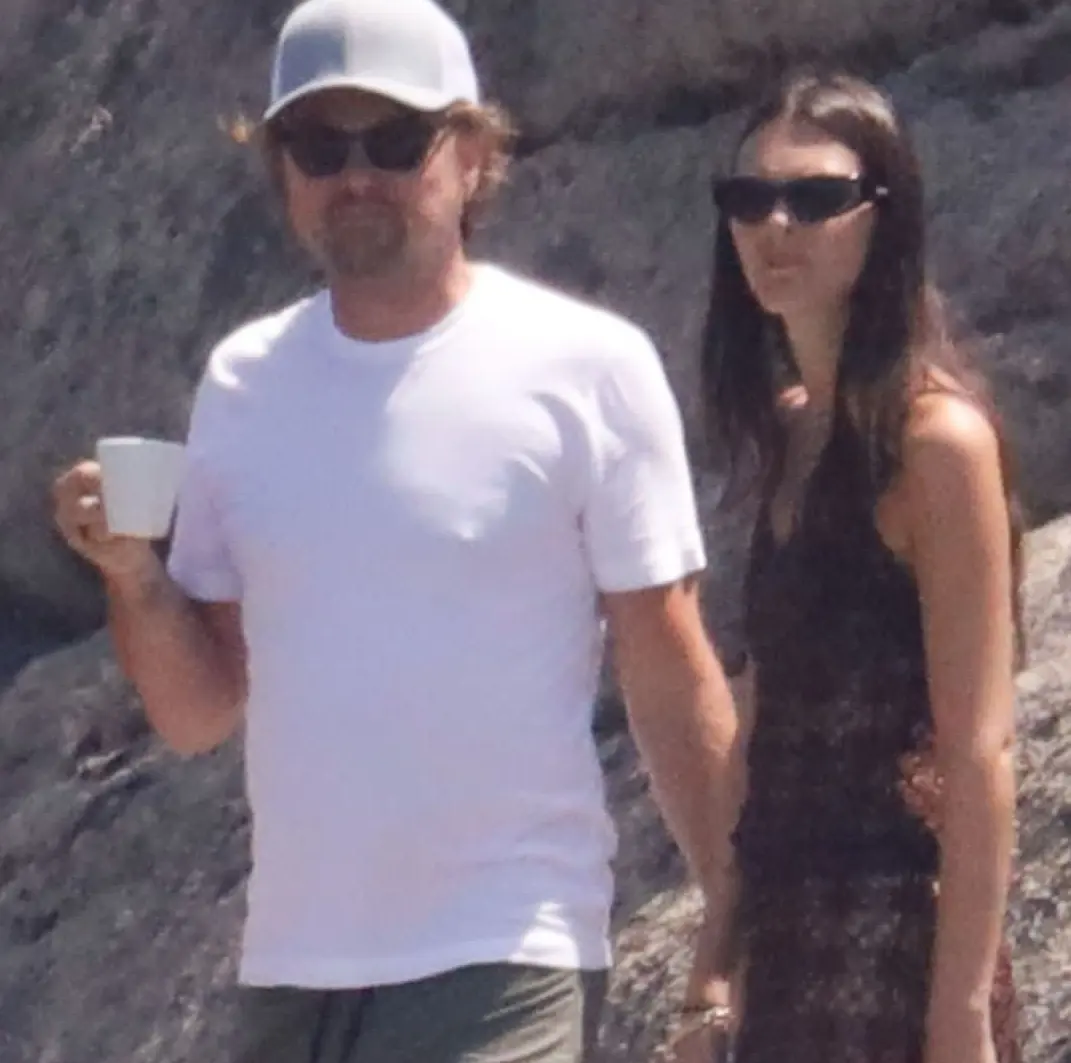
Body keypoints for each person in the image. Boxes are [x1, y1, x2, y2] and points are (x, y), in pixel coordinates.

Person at [51, 1, 739, 1060]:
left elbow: (666, 663)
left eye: (395, 139)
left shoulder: (586, 367)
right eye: (320, 147)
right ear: (281, 170)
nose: (356, 176)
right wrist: (133, 576)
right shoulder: (242, 384)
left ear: (472, 154)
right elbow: (196, 712)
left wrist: (736, 922)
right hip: (295, 973)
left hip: (507, 949)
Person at [673, 68, 1024, 1063]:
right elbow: (761, 729)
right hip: (786, 934)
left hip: (899, 928)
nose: (774, 226)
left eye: (816, 197)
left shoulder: (937, 442)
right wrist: (710, 971)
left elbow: (980, 747)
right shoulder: (791, 432)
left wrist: (959, 1015)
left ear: (884, 216)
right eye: (749, 198)